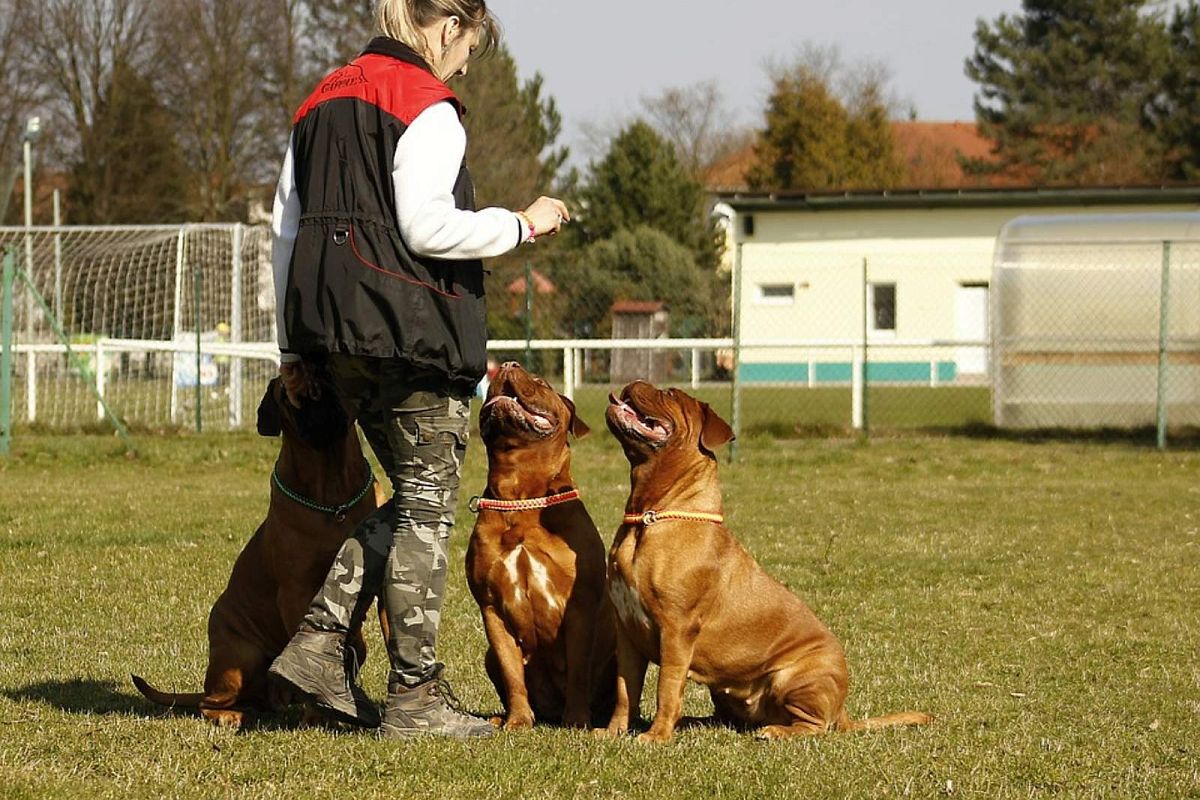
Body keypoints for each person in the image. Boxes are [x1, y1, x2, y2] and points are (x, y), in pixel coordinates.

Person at [267, 0, 570, 739]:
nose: (465, 64)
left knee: (412, 500)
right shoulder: (426, 103)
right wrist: (523, 222)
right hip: (409, 334)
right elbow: (426, 225)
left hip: (332, 338)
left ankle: (317, 645)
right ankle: (414, 699)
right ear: (446, 27)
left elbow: (283, 231)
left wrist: (291, 351)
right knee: (429, 505)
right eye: (469, 46)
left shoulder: (321, 98)